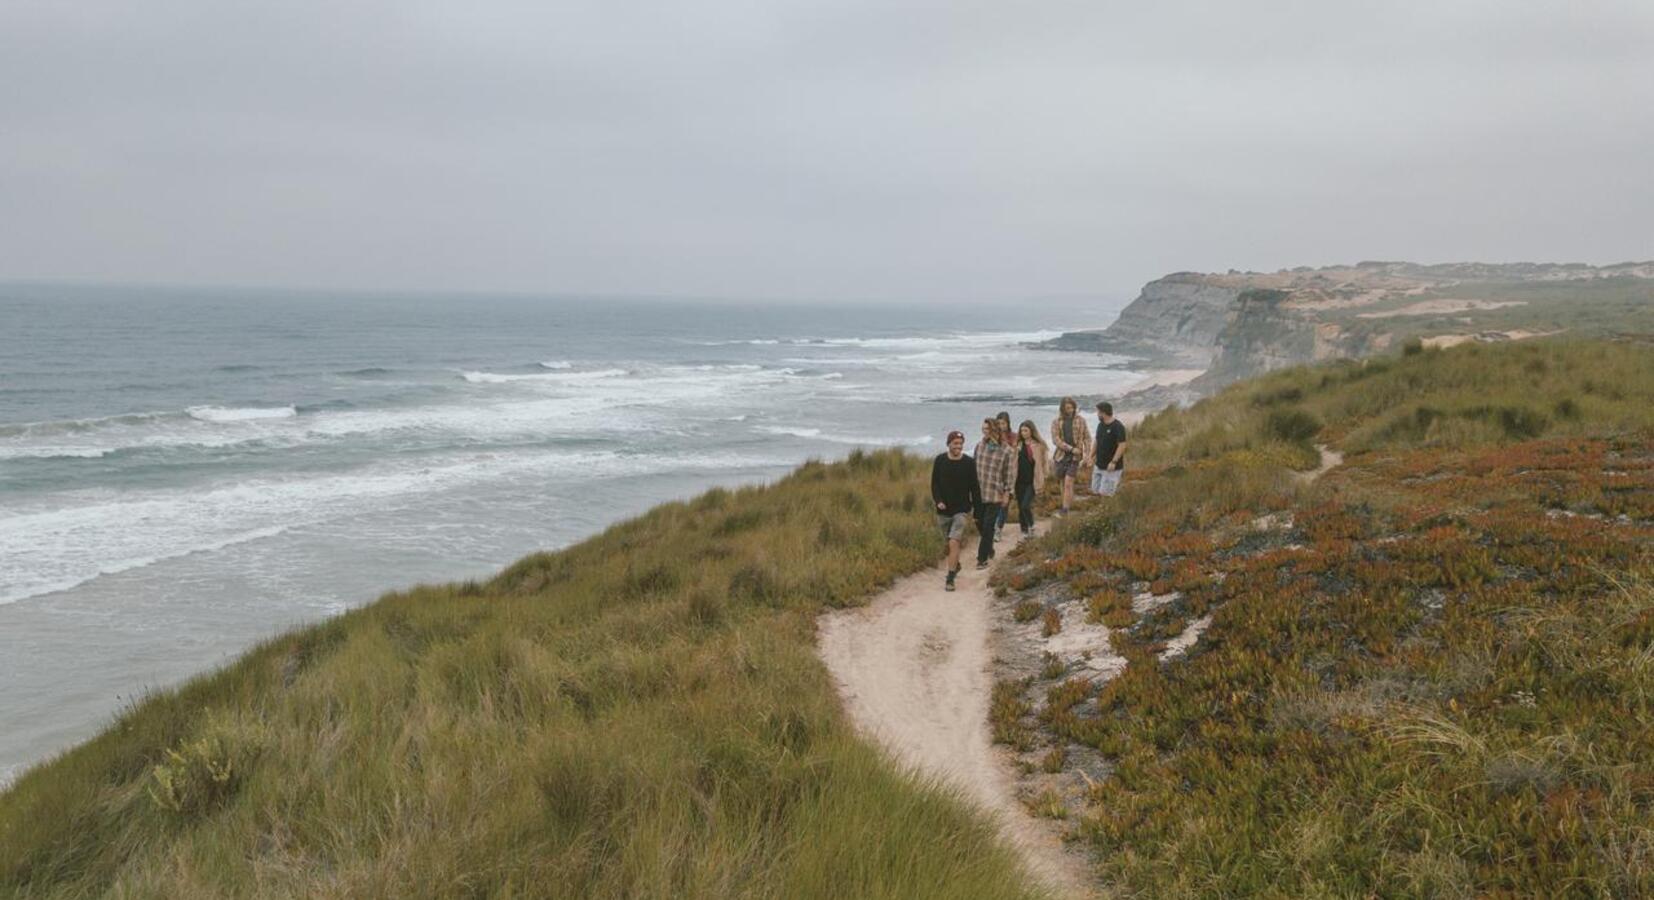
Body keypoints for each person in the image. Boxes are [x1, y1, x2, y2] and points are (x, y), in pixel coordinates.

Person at [930, 429, 979, 592]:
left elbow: (975, 487)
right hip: (944, 510)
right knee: (948, 544)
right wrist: (938, 501)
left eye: (961, 444)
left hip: (961, 509)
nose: (958, 446)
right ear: (948, 444)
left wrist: (977, 510)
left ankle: (950, 578)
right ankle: (955, 564)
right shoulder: (940, 461)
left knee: (954, 541)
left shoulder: (969, 463)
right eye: (955, 443)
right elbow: (934, 484)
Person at [1049, 397, 1091, 516]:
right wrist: (1071, 449)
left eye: (1072, 407)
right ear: (1062, 408)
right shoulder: (1056, 422)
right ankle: (1067, 504)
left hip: (1075, 457)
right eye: (1067, 408)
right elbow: (1055, 440)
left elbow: (1087, 437)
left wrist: (1087, 454)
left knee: (1068, 482)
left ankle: (1065, 510)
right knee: (1063, 483)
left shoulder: (1081, 420)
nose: (1070, 410)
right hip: (1060, 456)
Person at [1012, 420, 1050, 535]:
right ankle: (1024, 530)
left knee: (1025, 505)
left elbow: (1044, 462)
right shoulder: (1017, 445)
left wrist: (1045, 475)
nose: (1023, 433)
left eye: (1026, 430)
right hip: (1019, 481)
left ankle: (1031, 525)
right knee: (1020, 506)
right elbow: (1012, 462)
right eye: (1021, 430)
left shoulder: (1039, 445)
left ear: (1031, 431)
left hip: (1032, 481)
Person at [1089, 401, 1128, 497]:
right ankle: (1100, 510)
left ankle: (1109, 509)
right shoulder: (1100, 425)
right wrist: (1090, 456)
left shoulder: (1118, 426)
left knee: (1106, 494)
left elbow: (1122, 445)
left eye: (1098, 412)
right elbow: (1097, 441)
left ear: (1103, 413)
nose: (1097, 415)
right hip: (1099, 465)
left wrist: (1113, 462)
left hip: (1111, 467)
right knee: (1095, 491)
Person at [992, 411, 1013, 540]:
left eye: (1003, 423)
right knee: (995, 502)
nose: (1001, 426)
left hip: (1010, 473)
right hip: (995, 475)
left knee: (1005, 503)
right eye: (998, 423)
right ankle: (994, 527)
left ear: (1008, 423)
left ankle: (999, 528)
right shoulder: (993, 437)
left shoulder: (1014, 437)